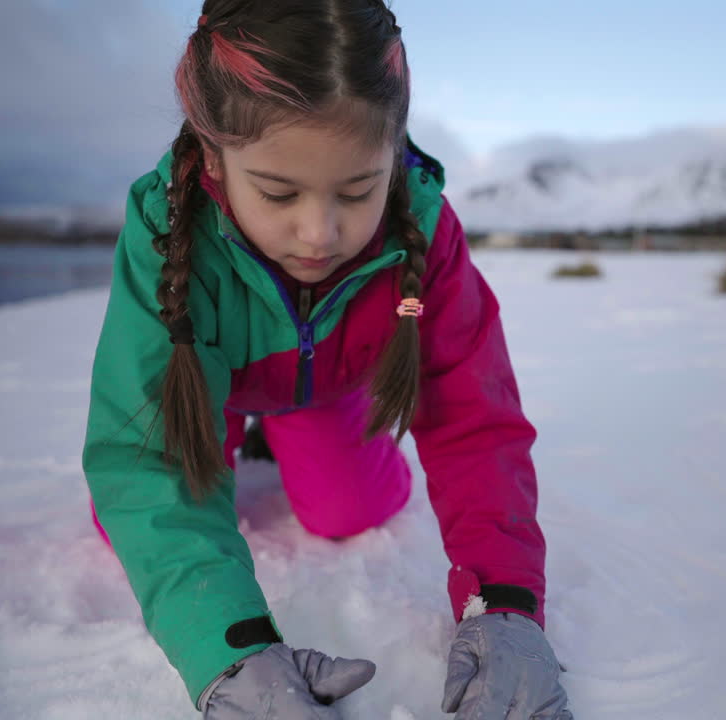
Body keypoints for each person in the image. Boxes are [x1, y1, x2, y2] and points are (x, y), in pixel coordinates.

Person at [81, 1, 572, 717]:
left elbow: (476, 421)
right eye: (278, 192)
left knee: (353, 509)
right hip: (206, 386)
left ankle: (281, 439)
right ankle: (243, 430)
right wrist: (230, 650)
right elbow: (141, 458)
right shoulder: (167, 230)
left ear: (393, 153)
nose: (319, 233)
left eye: (359, 190)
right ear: (213, 155)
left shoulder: (425, 236)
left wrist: (507, 602)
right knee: (129, 520)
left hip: (330, 386)